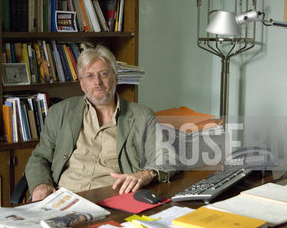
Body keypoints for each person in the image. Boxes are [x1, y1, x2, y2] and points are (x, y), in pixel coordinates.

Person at [25, 45, 176, 201]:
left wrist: (145, 175)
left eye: (103, 74)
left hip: (112, 200)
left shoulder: (141, 116)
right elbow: (40, 157)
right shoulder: (60, 112)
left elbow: (167, 156)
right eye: (89, 76)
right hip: (63, 198)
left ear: (116, 78)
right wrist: (40, 184)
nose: (97, 82)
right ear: (82, 84)